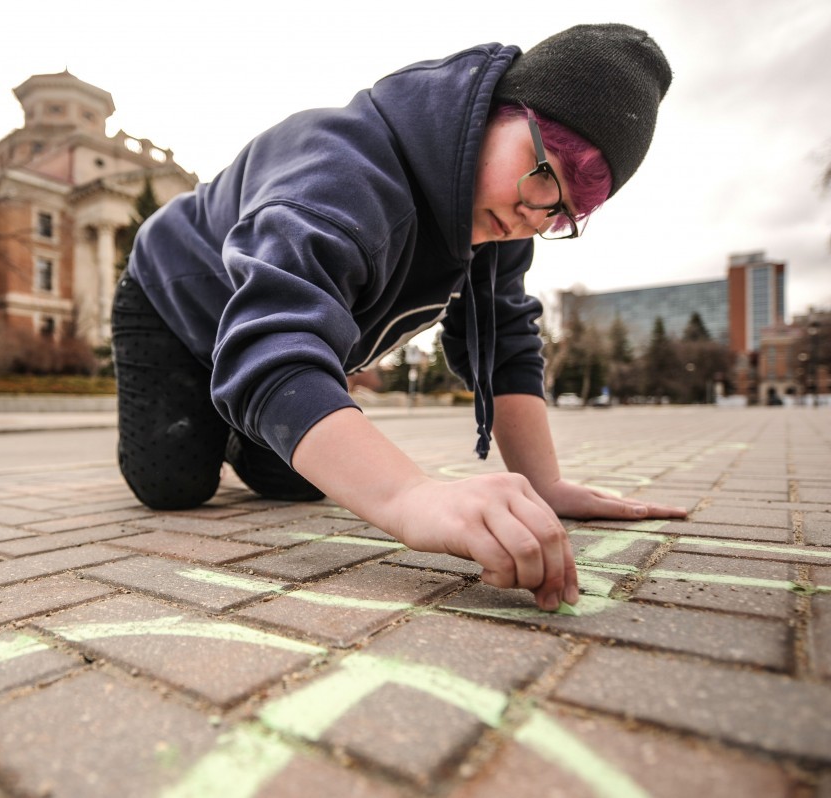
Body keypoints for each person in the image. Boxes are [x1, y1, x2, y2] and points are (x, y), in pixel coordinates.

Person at [112, 23, 687, 612]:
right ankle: (229, 406)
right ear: (494, 111)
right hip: (174, 297)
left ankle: (244, 412)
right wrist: (411, 497)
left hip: (272, 334)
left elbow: (507, 344)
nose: (533, 215)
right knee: (173, 485)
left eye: (562, 213)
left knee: (295, 482)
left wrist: (544, 486)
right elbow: (274, 337)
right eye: (544, 173)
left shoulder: (502, 224)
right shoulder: (342, 167)